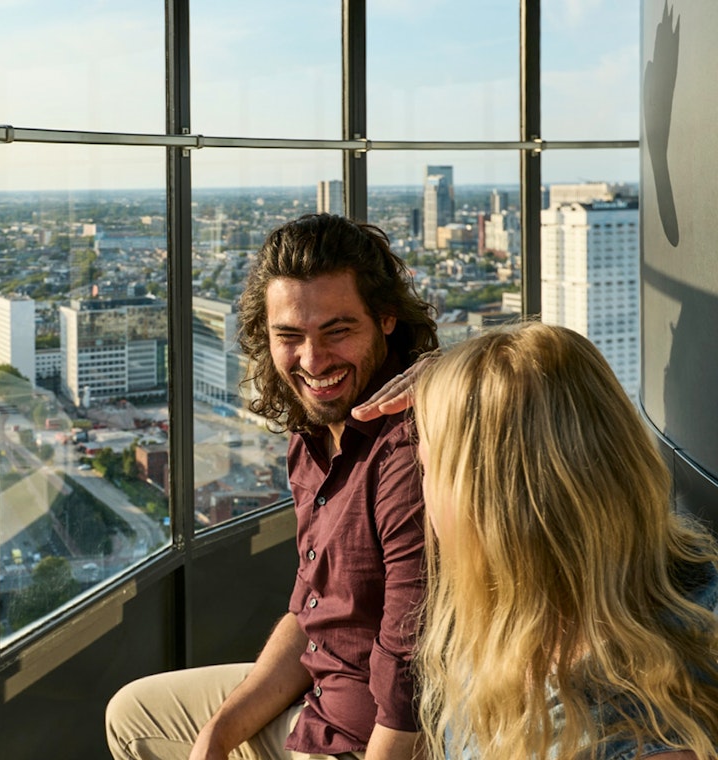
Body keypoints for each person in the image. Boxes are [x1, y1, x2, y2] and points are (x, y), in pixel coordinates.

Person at [105, 213, 439, 760]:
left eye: (337, 331)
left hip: (368, 741)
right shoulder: (312, 437)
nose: (313, 361)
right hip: (319, 703)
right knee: (131, 714)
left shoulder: (407, 452)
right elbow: (311, 616)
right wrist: (217, 735)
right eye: (290, 336)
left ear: (386, 319)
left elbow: (412, 671)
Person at [412, 322, 718, 760]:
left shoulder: (634, 736)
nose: (421, 490)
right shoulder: (677, 587)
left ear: (486, 505)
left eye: (429, 469)